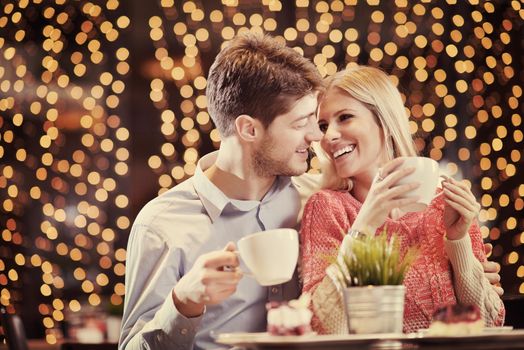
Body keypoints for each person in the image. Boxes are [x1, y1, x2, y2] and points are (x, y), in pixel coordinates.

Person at [119, 33, 323, 350]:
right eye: (300, 123)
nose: (316, 135)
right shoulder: (162, 224)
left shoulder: (316, 199)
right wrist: (183, 302)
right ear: (248, 129)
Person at [300, 65, 505, 334]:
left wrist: (458, 241)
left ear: (384, 121)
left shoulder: (445, 205)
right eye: (323, 125)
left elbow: (490, 323)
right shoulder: (326, 206)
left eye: (345, 117)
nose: (329, 136)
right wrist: (364, 226)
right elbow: (319, 325)